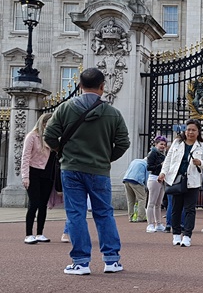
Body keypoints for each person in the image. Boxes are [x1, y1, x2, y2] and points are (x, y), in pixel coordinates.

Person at [44, 67, 130, 275]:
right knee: (104, 213)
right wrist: (106, 158)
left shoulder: (65, 108)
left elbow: (49, 135)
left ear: (80, 86)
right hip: (99, 170)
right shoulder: (112, 113)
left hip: (71, 168)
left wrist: (61, 151)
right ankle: (111, 260)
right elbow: (123, 143)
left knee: (76, 214)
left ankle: (81, 262)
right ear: (102, 86)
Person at [158, 118, 203, 248]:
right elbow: (168, 160)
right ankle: (176, 234)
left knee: (189, 209)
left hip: (192, 181)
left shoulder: (202, 146)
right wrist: (163, 172)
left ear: (198, 132)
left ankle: (187, 235)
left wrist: (200, 162)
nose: (190, 132)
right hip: (176, 180)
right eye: (188, 130)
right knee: (176, 208)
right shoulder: (177, 143)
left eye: (193, 130)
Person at [20, 113, 57, 243]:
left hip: (47, 174)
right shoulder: (32, 136)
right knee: (33, 203)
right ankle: (28, 234)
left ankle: (40, 233)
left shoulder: (52, 137)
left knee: (43, 205)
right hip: (33, 172)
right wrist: (25, 176)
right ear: (44, 123)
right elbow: (25, 157)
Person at [145, 136, 168, 233]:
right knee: (151, 203)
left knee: (158, 204)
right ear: (156, 144)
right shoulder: (153, 153)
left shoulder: (162, 155)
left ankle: (158, 224)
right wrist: (161, 165)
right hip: (154, 178)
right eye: (161, 144)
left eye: (164, 145)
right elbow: (149, 167)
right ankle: (150, 224)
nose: (163, 146)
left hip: (161, 179)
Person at [122, 158, 148, 223]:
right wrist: (146, 187)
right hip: (136, 181)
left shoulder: (134, 161)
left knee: (130, 200)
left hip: (126, 179)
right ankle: (141, 217)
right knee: (142, 199)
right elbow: (147, 177)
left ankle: (130, 217)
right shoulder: (146, 164)